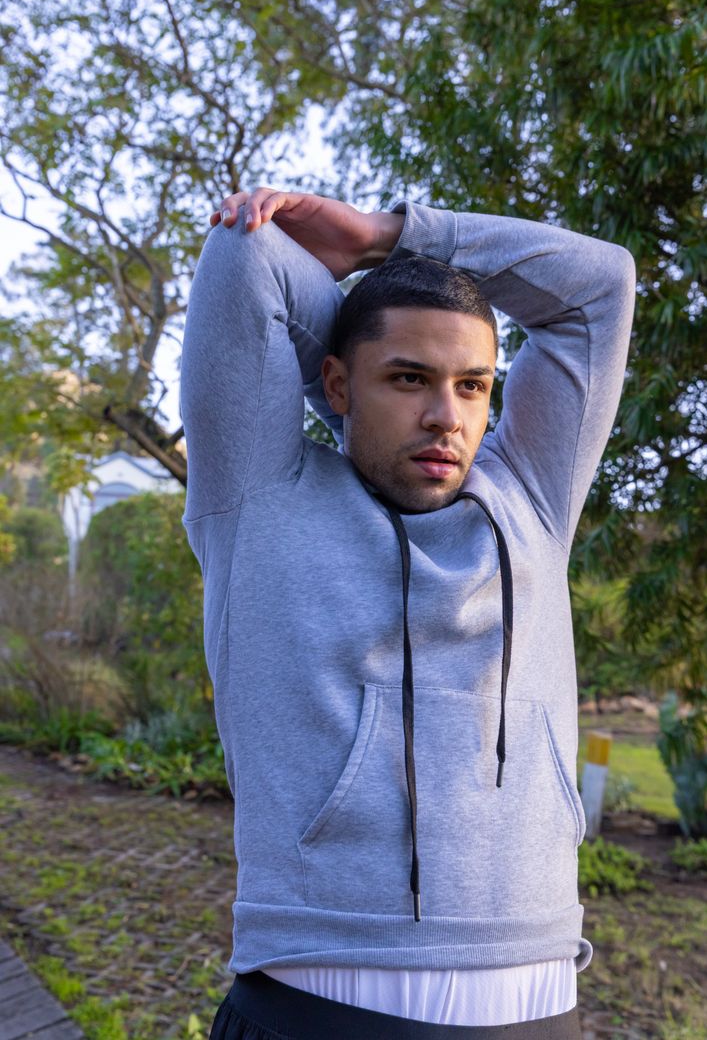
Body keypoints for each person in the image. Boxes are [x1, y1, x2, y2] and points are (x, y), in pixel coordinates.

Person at [179, 187, 636, 1039]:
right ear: (335, 383)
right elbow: (249, 257)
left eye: (473, 386)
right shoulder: (259, 498)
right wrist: (362, 307)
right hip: (317, 1007)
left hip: (543, 1006)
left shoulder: (530, 498)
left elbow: (599, 285)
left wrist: (392, 238)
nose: (446, 418)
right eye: (409, 380)